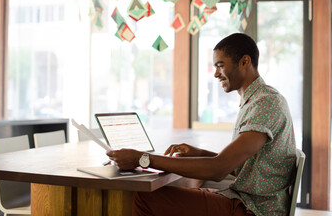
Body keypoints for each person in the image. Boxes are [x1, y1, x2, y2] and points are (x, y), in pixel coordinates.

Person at [107, 33, 297, 216]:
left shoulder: (265, 103)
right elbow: (240, 167)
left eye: (220, 66)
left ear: (244, 62)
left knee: (145, 199)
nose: (215, 74)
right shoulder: (257, 100)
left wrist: (143, 158)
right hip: (246, 201)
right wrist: (199, 153)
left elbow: (218, 169)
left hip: (254, 209)